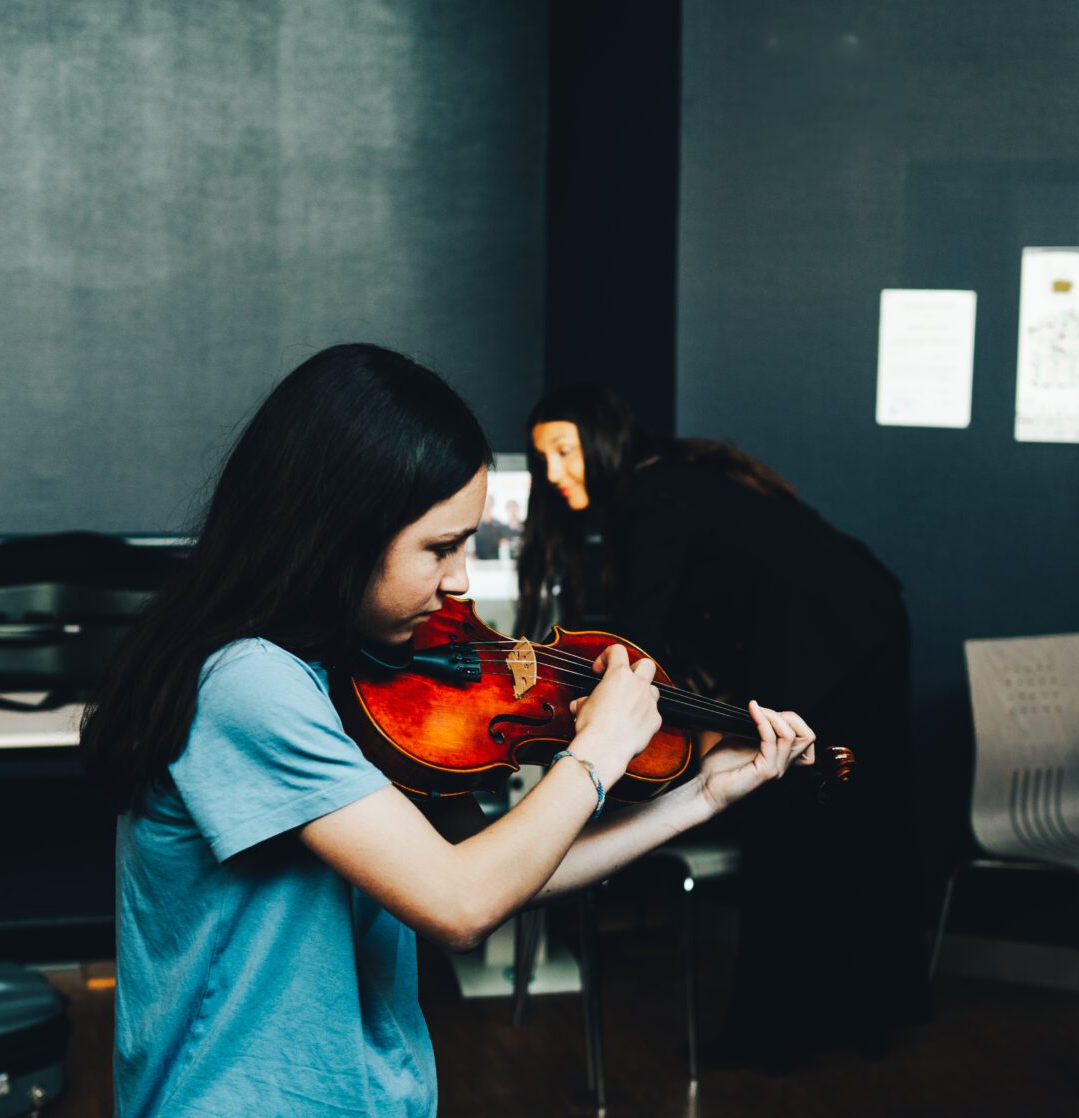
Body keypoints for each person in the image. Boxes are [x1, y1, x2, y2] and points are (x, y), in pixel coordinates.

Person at [80, 345, 818, 1115]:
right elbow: (458, 905)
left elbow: (486, 871)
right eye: (440, 548)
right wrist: (595, 752)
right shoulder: (246, 683)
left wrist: (698, 797)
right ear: (337, 534)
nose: (462, 579)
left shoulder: (350, 671)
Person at [517, 385, 930, 1069]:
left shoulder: (651, 498)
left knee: (787, 816)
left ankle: (770, 1035)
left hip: (828, 635)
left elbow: (642, 644)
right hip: (866, 617)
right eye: (543, 460)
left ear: (605, 439)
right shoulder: (678, 474)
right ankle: (873, 1013)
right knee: (862, 811)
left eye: (566, 451)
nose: (556, 473)